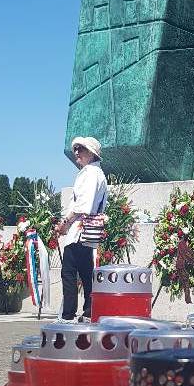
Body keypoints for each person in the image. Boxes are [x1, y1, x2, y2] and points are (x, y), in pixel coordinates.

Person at [56, 137, 108, 320]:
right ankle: (89, 311)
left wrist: (65, 222)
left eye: (81, 149)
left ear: (91, 153)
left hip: (81, 229)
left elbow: (83, 205)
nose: (76, 152)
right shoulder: (93, 173)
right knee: (85, 271)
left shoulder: (91, 173)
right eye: (76, 148)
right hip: (83, 229)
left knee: (69, 272)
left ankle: (69, 314)